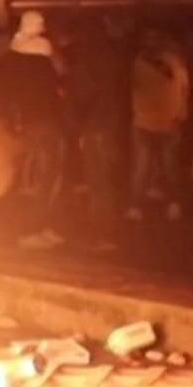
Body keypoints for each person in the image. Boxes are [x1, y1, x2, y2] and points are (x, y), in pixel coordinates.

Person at [4, 10, 67, 250]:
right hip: (45, 119)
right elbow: (62, 69)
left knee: (32, 177)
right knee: (48, 176)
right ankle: (32, 230)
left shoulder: (13, 50)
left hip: (27, 120)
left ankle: (36, 227)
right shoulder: (43, 48)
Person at [67, 16, 130, 248]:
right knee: (105, 180)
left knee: (97, 181)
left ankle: (103, 234)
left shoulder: (87, 61)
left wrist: (80, 127)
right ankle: (106, 232)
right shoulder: (112, 57)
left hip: (96, 127)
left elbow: (82, 97)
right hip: (110, 126)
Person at [128, 26, 190, 222]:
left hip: (147, 122)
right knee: (167, 165)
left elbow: (131, 87)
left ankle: (137, 205)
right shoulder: (174, 62)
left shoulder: (139, 61)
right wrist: (181, 114)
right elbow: (184, 89)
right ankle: (173, 204)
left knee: (145, 166)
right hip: (161, 121)